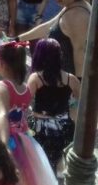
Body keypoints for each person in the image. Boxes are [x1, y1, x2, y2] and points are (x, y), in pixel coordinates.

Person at [0, 41, 59, 185]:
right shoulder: (24, 88)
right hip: (21, 139)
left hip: (0, 137)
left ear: (2, 63)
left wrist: (3, 143)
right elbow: (21, 114)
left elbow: (2, 115)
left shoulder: (2, 87)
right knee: (17, 177)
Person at [21, 0, 91, 79]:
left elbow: (80, 52)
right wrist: (18, 39)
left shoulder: (77, 16)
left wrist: (78, 84)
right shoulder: (72, 5)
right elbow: (48, 26)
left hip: (69, 79)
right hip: (62, 76)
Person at [27, 38, 80, 173]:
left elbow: (25, 101)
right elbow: (80, 100)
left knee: (41, 163)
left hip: (40, 126)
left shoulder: (36, 78)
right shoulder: (71, 78)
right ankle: (59, 170)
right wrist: (71, 107)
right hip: (64, 126)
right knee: (57, 157)